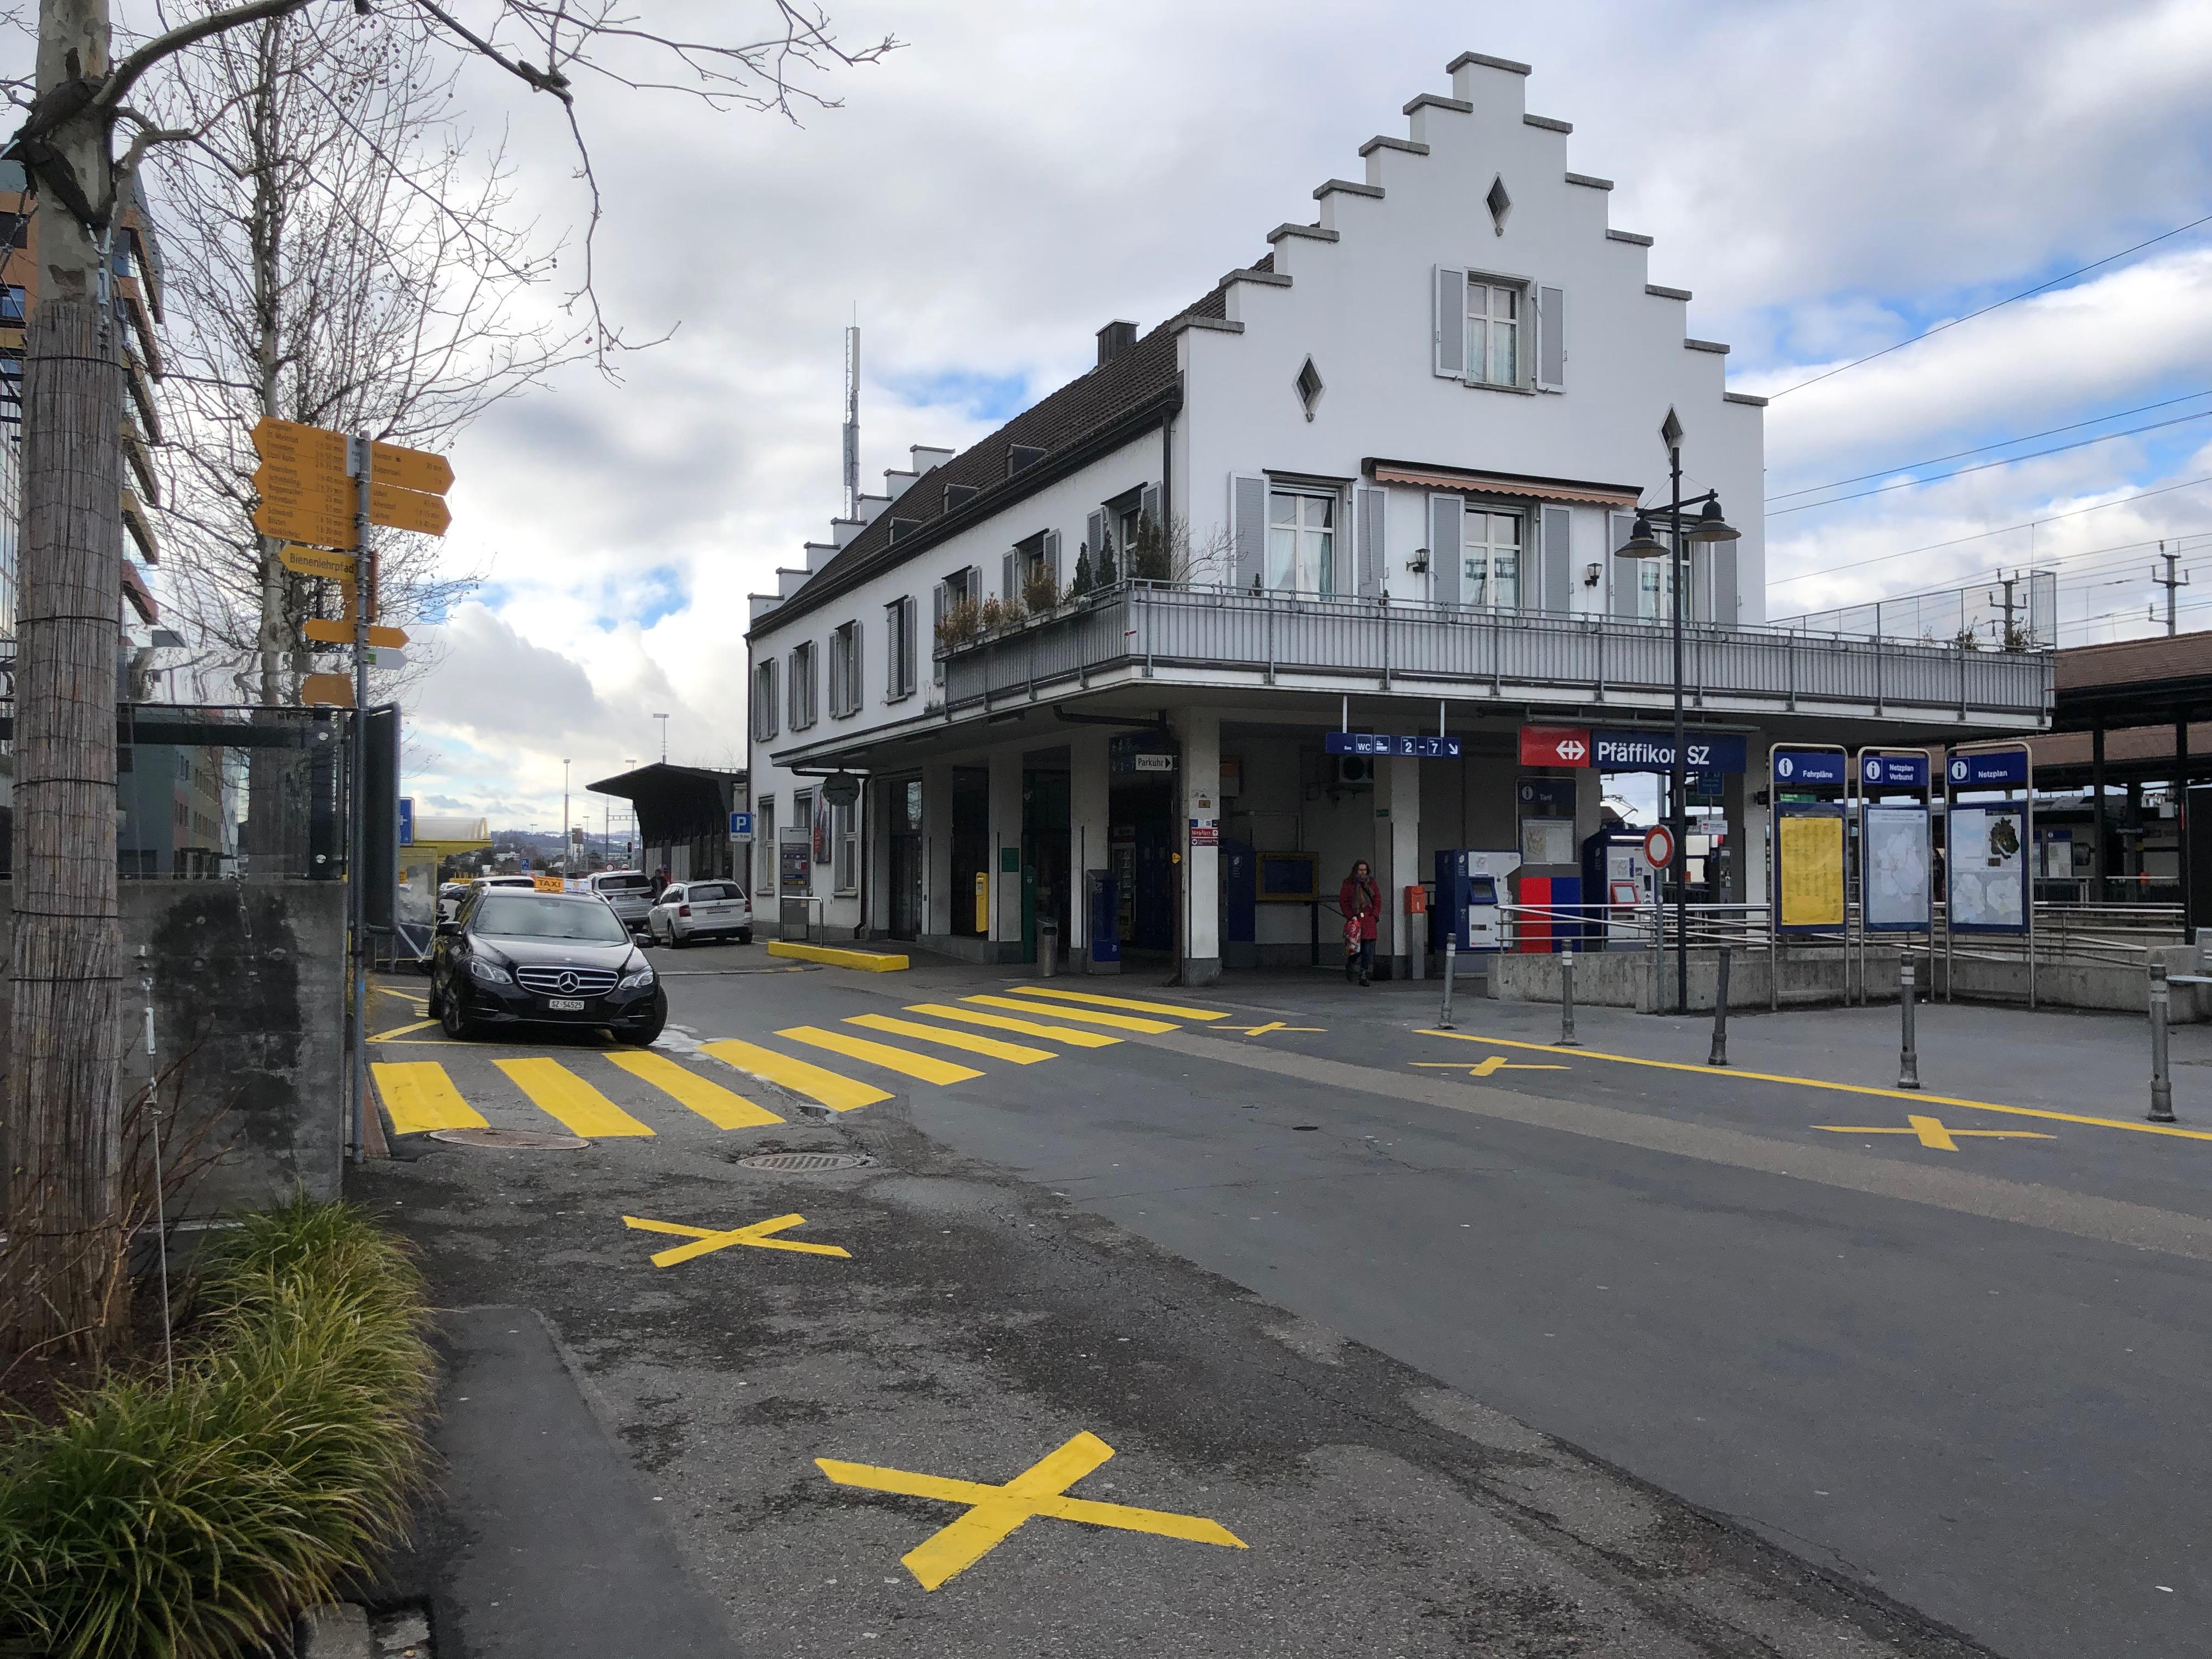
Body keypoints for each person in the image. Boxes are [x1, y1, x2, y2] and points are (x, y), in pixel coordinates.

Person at [1339, 860, 1381, 986]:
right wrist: (1351, 916)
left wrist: (1374, 915)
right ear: (1355, 871)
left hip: (1369, 920)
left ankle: (1364, 973)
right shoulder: (1349, 884)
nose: (1362, 872)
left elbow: (1377, 900)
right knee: (1356, 949)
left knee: (1367, 949)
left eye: (1364, 870)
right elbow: (1344, 902)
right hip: (1356, 920)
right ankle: (1351, 965)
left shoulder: (1372, 884)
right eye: (1360, 870)